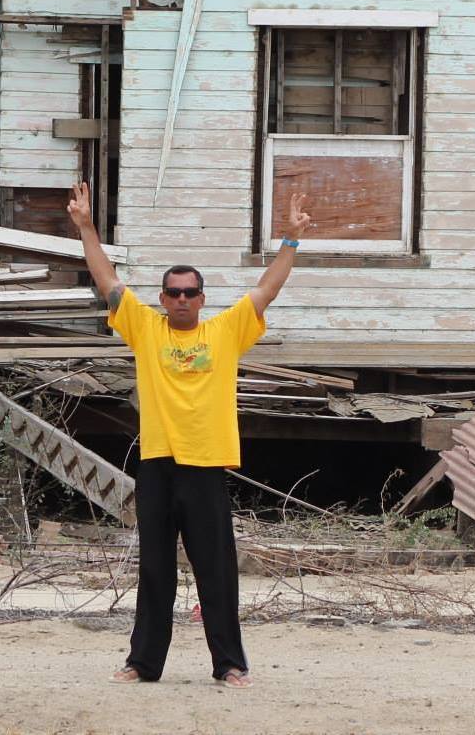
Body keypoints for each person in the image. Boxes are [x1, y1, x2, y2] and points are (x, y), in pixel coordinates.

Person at [66, 181, 311, 690]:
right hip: (158, 463)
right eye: (173, 292)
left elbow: (266, 290)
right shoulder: (145, 328)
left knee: (216, 572)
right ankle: (143, 663)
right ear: (162, 298)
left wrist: (289, 239)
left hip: (206, 464)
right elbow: (107, 280)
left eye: (190, 292)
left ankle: (230, 664)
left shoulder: (224, 332)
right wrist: (86, 227)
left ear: (202, 298)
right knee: (154, 569)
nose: (181, 299)